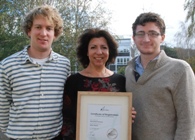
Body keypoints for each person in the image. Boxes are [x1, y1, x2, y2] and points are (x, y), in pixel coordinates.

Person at [0, 5, 70, 140]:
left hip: (54, 137)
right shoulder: (7, 65)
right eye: (38, 27)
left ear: (55, 34)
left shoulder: (64, 65)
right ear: (29, 31)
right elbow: (2, 106)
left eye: (49, 28)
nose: (43, 33)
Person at [125, 12, 195, 140]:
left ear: (162, 37)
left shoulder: (180, 70)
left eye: (153, 33)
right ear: (134, 38)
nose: (146, 39)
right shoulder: (129, 70)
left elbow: (188, 122)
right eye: (141, 34)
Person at [61, 28, 136, 140]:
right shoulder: (73, 81)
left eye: (104, 47)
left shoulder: (120, 81)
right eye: (93, 47)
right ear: (86, 51)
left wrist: (128, 114)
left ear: (109, 51)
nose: (99, 52)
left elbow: (122, 119)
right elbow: (67, 120)